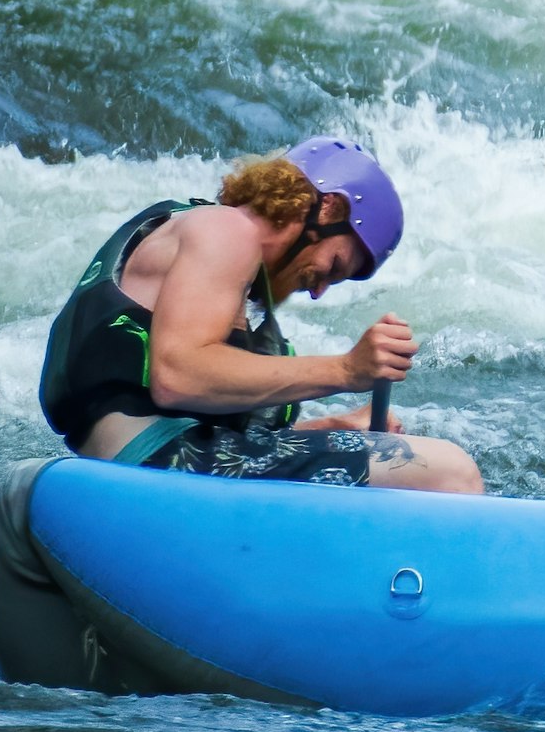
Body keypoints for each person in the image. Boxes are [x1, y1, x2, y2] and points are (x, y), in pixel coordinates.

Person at [35, 137, 483, 492]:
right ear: (329, 208)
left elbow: (212, 427)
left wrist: (333, 425)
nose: (319, 290)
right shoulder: (228, 231)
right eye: (334, 266)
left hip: (133, 465)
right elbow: (178, 378)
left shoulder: (200, 240)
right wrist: (346, 370)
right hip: (156, 471)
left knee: (400, 455)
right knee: (450, 471)